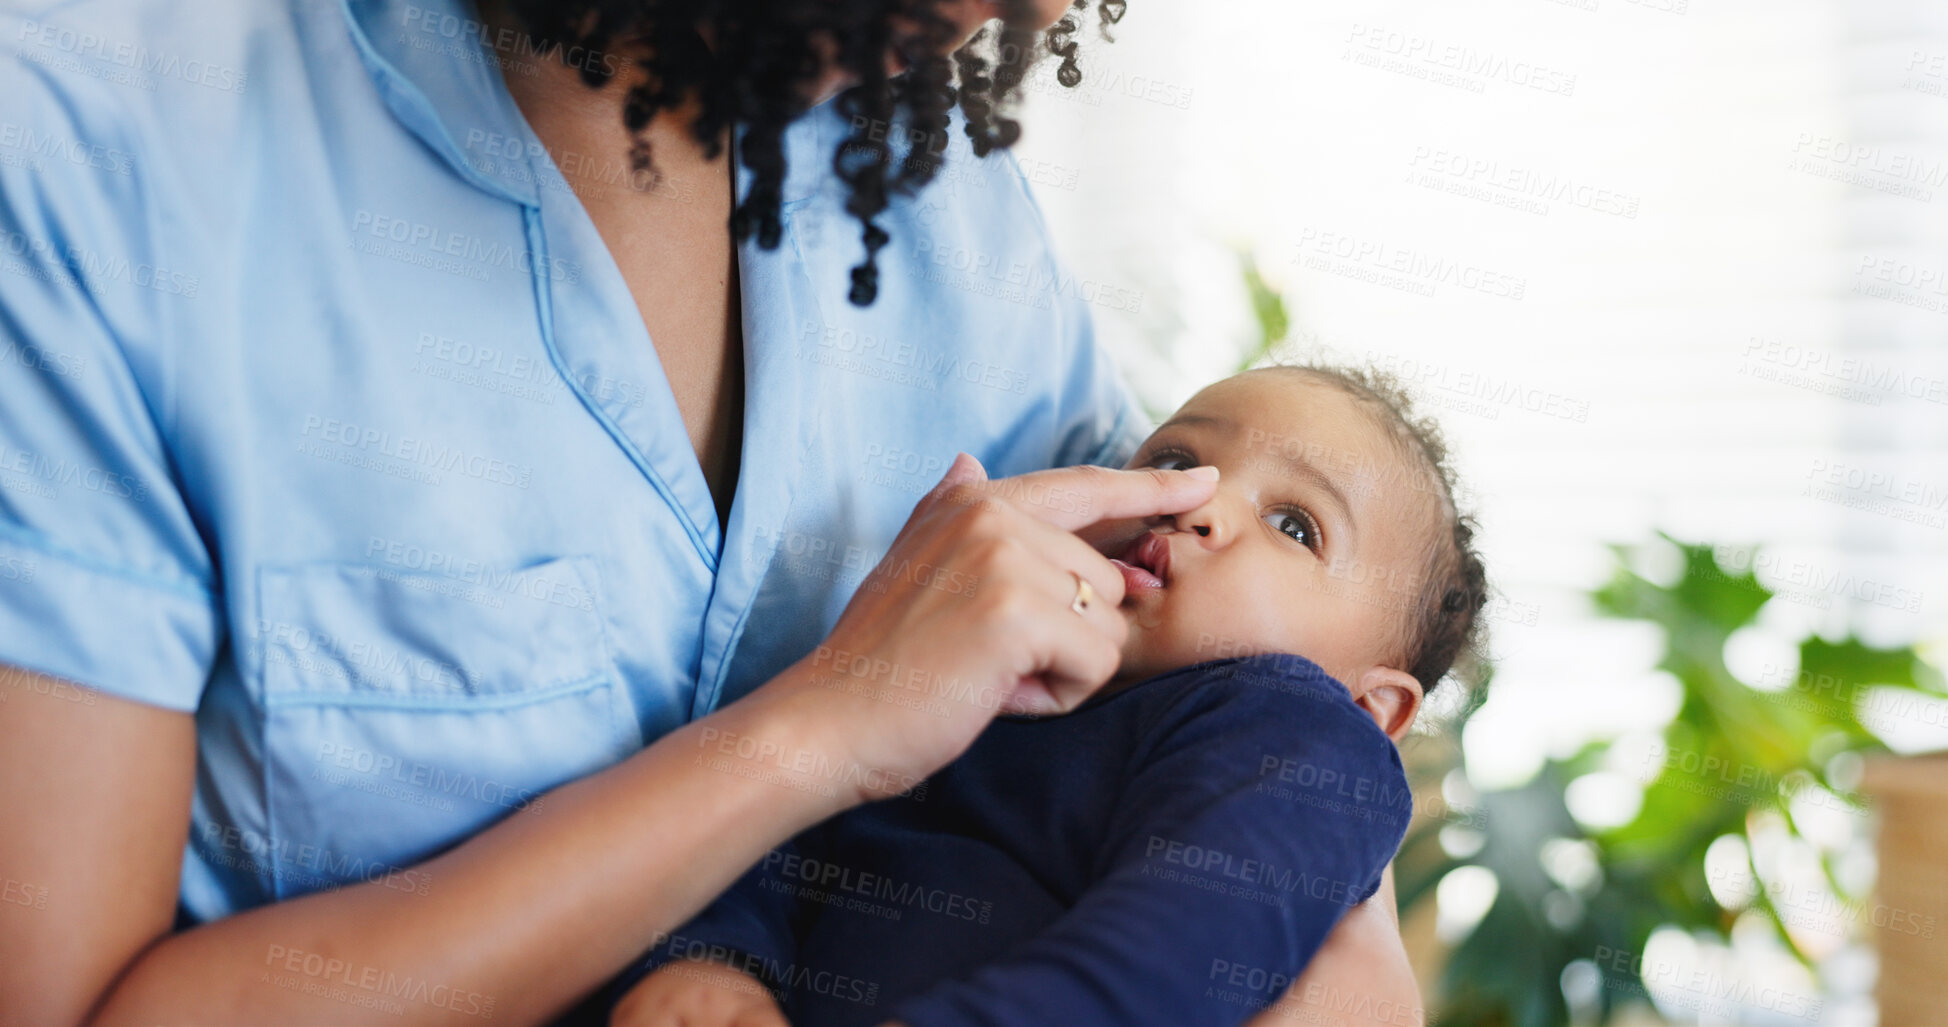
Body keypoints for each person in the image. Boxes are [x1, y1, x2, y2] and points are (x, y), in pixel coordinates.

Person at [0, 1, 1414, 1022]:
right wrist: (820, 728)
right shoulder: (93, 151)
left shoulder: (947, 203)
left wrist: (1348, 970)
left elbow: (1261, 690)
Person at [612, 365, 1488, 1026]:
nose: (1195, 506)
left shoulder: (1296, 731)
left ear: (1374, 711)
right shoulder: (998, 660)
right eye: (1177, 459)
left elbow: (1177, 951)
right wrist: (723, 958)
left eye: (1295, 525)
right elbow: (804, 819)